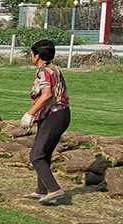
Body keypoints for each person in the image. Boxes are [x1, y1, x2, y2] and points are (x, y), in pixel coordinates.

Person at [21, 39, 71, 206]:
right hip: (61, 115)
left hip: (55, 115)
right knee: (44, 153)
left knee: (35, 155)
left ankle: (54, 189)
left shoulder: (44, 71)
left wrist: (29, 113)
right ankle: (42, 190)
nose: (31, 56)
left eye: (31, 54)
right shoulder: (53, 67)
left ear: (36, 56)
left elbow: (47, 95)